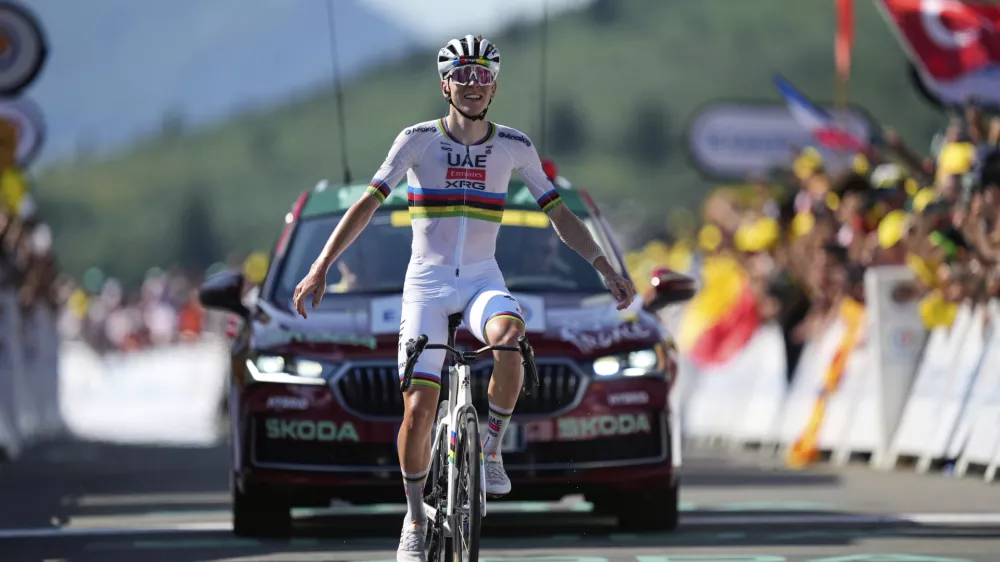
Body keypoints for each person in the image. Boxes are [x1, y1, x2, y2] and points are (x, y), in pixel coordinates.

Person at [291, 34, 635, 562]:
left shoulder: (514, 145)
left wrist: (605, 267)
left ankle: (491, 449)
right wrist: (320, 267)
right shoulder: (417, 139)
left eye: (483, 75)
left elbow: (561, 216)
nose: (474, 85)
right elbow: (365, 205)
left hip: (480, 278)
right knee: (418, 412)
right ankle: (412, 518)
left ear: (494, 84)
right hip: (426, 284)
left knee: (511, 338)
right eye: (463, 75)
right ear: (445, 83)